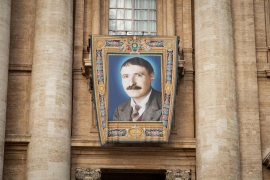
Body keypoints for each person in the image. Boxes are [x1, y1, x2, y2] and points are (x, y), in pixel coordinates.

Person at [113, 57, 162, 121]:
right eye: (126, 76)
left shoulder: (166, 104)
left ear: (151, 77)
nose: (131, 83)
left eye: (138, 75)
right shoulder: (119, 110)